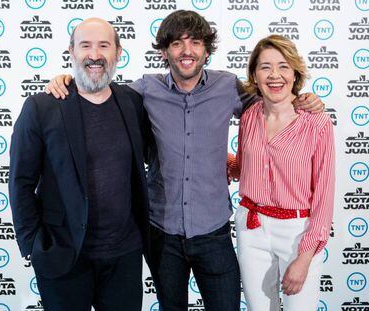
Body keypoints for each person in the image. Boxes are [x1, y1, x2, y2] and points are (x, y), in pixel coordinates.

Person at [46, 11, 324, 311]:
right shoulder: (145, 90)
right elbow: (99, 92)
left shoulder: (228, 87)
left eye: (195, 42)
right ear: (165, 51)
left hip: (214, 232)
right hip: (162, 234)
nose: (187, 50)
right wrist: (66, 80)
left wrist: (303, 99)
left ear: (207, 49)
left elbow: (273, 102)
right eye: (177, 43)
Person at [9, 18, 150, 311]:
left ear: (118, 52)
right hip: (63, 256)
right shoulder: (42, 107)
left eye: (104, 45)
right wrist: (33, 245)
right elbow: (20, 181)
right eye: (85, 45)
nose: (95, 54)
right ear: (71, 52)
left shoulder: (133, 102)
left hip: (124, 257)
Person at [227, 35, 335, 311]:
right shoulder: (249, 116)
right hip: (251, 226)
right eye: (265, 67)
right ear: (254, 74)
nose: (274, 75)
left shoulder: (317, 123)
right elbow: (243, 166)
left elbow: (323, 196)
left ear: (295, 72)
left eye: (283, 66)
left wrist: (305, 256)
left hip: (298, 232)